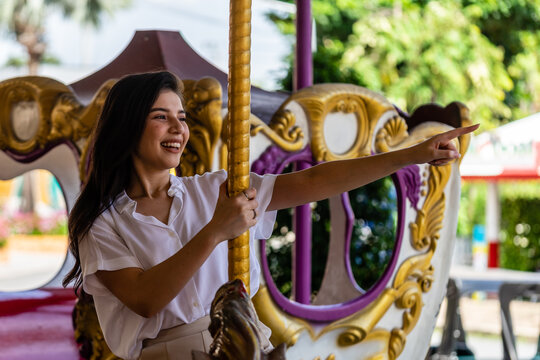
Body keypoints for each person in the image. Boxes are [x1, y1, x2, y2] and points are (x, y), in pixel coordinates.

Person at [63, 71, 478, 360]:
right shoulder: (103, 223)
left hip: (243, 341)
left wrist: (411, 156)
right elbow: (146, 299)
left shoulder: (213, 190)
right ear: (127, 126)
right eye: (161, 117)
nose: (178, 128)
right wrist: (215, 231)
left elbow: (313, 183)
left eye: (182, 118)